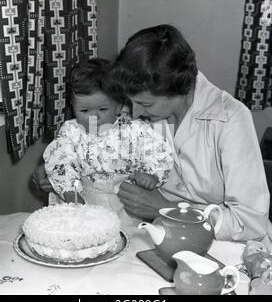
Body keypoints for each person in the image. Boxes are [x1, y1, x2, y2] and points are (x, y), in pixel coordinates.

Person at [101, 24, 272, 245]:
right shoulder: (144, 116)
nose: (135, 113)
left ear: (179, 90)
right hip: (161, 236)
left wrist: (166, 209)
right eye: (131, 102)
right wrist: (61, 164)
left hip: (227, 245)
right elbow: (96, 143)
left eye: (145, 103)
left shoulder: (230, 119)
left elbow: (249, 222)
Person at [41, 58, 175, 226]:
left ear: (118, 106)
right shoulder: (71, 132)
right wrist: (70, 191)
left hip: (125, 205)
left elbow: (158, 151)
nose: (93, 117)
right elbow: (61, 162)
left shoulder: (134, 130)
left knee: (124, 240)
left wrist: (153, 174)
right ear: (72, 106)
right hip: (82, 200)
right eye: (84, 110)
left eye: (103, 110)